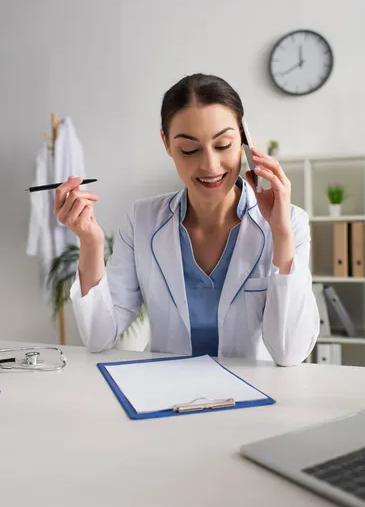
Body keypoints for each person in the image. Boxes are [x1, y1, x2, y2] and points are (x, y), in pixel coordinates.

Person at [54, 73, 319, 365]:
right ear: (166, 143)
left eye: (223, 145)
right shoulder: (142, 220)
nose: (209, 165)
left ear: (244, 139)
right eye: (189, 149)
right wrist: (90, 243)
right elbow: (98, 336)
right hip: (168, 398)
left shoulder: (289, 223)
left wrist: (280, 233)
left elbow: (289, 353)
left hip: (255, 398)